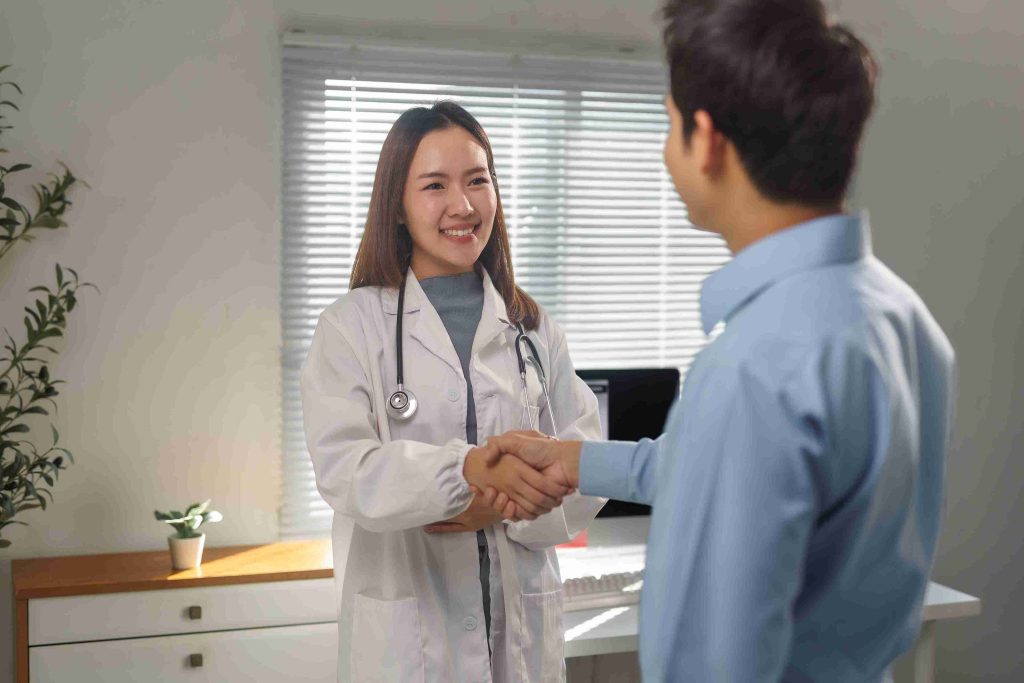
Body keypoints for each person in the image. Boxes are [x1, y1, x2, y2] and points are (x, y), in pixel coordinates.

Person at [485, 1, 957, 681]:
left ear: (705, 140)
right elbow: (742, 473)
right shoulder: (904, 320)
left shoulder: (755, 367)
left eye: (668, 123)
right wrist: (575, 460)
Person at [300, 100, 605, 683]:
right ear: (397, 204)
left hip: (520, 638)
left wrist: (506, 507)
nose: (463, 206)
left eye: (478, 180)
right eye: (434, 185)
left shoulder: (532, 327)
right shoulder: (351, 326)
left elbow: (585, 460)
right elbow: (347, 470)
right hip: (411, 649)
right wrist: (467, 475)